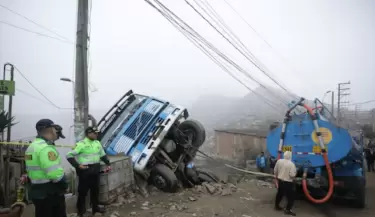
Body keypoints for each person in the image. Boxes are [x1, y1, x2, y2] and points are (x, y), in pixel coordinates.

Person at [24, 119, 68, 217]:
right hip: (50, 193)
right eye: (54, 129)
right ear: (50, 130)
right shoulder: (46, 148)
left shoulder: (32, 146)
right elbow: (54, 175)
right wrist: (64, 184)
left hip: (36, 191)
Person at [66, 126, 111, 217]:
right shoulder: (81, 144)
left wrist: (108, 163)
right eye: (95, 133)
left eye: (97, 133)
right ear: (88, 133)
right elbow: (69, 155)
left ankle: (95, 208)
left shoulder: (97, 143)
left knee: (95, 191)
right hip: (85, 172)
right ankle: (81, 211)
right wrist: (78, 165)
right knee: (82, 192)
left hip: (95, 170)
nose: (96, 134)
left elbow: (102, 155)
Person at [274, 151, 297, 216]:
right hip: (288, 183)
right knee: (291, 197)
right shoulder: (291, 164)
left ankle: (276, 206)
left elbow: (275, 170)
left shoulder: (279, 161)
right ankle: (288, 210)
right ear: (290, 156)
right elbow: (292, 175)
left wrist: (276, 177)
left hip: (280, 181)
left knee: (279, 194)